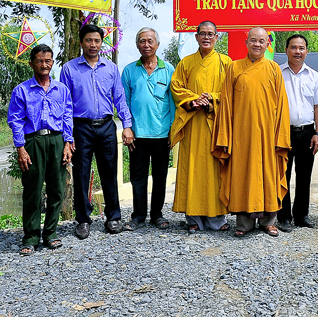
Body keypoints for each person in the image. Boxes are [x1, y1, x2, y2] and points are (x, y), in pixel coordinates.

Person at [212, 27, 291, 238]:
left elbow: (282, 105)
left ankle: (268, 222)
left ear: (267, 44)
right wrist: (226, 136)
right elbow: (226, 103)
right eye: (253, 40)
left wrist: (281, 136)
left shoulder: (274, 69)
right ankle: (244, 223)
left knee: (268, 175)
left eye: (261, 41)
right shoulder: (234, 67)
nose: (257, 44)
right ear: (246, 42)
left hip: (267, 134)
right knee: (242, 175)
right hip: (241, 134)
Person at [60, 23, 133, 239]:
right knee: (81, 174)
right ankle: (83, 220)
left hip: (107, 126)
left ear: (102, 43)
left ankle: (113, 217)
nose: (93, 44)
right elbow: (65, 105)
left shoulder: (111, 68)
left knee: (109, 173)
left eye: (97, 40)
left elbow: (119, 98)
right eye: (89, 40)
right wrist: (68, 136)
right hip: (81, 127)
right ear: (81, 42)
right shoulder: (69, 69)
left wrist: (127, 125)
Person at [7, 44, 73, 255]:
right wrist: (20, 148)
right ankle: (31, 237)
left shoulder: (61, 90)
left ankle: (51, 233)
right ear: (31, 64)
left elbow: (67, 116)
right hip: (33, 141)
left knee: (57, 189)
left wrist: (68, 143)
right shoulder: (21, 90)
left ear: (52, 63)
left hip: (56, 140)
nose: (44, 65)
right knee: (33, 191)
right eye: (39, 61)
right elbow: (16, 121)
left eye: (48, 61)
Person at [170, 21, 232, 233]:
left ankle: (217, 218)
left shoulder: (226, 62)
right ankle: (193, 218)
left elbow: (231, 92)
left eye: (210, 34)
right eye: (203, 34)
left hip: (216, 124)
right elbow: (176, 88)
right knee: (193, 169)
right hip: (193, 123)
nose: (206, 37)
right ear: (196, 37)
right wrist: (194, 100)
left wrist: (212, 98)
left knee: (216, 171)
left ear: (217, 38)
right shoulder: (186, 63)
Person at [121, 27, 176, 231]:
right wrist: (127, 127)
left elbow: (174, 103)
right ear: (137, 45)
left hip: (162, 134)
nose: (146, 45)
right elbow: (124, 102)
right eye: (142, 41)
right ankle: (138, 216)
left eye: (150, 41)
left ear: (157, 45)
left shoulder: (168, 69)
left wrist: (172, 130)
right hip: (138, 134)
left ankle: (157, 215)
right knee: (137, 177)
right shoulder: (129, 71)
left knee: (160, 177)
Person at [277, 34, 318, 232]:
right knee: (283, 175)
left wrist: (317, 133)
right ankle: (284, 217)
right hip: (283, 132)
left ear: (307, 51)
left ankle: (301, 215)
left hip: (307, 132)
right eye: (294, 47)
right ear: (286, 50)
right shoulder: (277, 73)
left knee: (304, 175)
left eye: (301, 48)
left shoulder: (314, 76)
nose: (298, 51)